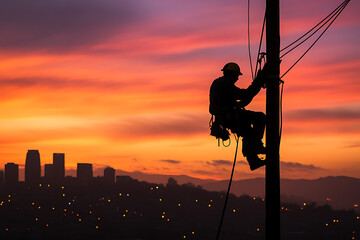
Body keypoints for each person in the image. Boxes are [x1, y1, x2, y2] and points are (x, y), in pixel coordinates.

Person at [209, 62, 267, 171]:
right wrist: (258, 83)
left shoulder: (219, 83)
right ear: (231, 74)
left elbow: (242, 100)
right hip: (230, 116)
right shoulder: (224, 84)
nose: (237, 79)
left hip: (227, 117)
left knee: (248, 133)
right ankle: (257, 146)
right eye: (236, 76)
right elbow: (243, 95)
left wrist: (256, 86)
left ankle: (253, 160)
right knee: (260, 117)